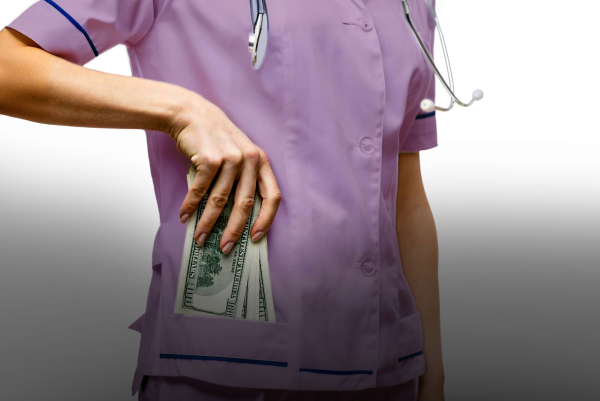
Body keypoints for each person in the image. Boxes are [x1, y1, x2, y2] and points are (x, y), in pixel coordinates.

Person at [0, 0, 445, 400]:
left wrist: (434, 371)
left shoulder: (412, 5)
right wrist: (180, 110)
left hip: (388, 367)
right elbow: (8, 65)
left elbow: (404, 200)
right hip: (223, 365)